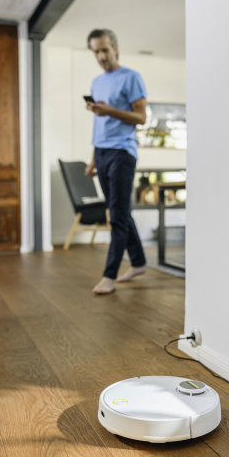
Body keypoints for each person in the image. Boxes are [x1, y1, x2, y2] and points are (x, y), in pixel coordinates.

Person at [84, 29, 148, 295]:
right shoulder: (97, 82)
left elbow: (141, 117)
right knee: (119, 211)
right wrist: (93, 158)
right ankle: (139, 262)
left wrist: (109, 110)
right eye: (96, 51)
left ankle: (109, 275)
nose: (101, 56)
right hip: (102, 153)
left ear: (116, 48)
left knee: (117, 216)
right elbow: (99, 123)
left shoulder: (131, 77)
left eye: (104, 50)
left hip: (122, 152)